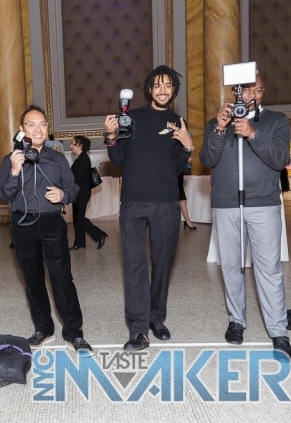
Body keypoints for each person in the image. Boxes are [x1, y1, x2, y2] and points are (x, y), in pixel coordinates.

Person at [199, 73, 291, 360]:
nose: (253, 95)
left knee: (269, 270)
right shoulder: (217, 122)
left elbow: (280, 159)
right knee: (232, 267)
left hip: (264, 204)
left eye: (259, 90)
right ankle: (236, 321)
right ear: (236, 92)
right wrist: (220, 128)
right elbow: (207, 159)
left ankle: (278, 331)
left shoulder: (277, 120)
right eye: (247, 90)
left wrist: (253, 133)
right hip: (226, 204)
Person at [103, 65, 193, 351]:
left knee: (163, 263)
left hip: (166, 201)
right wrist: (111, 136)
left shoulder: (178, 122)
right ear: (149, 90)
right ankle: (138, 329)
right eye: (157, 85)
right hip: (133, 202)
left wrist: (187, 147)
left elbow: (177, 168)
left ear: (174, 89)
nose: (163, 90)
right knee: (135, 265)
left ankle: (156, 317)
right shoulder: (131, 118)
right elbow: (118, 160)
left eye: (168, 85)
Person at [0, 104, 93, 353]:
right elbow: (5, 195)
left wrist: (63, 195)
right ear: (22, 129)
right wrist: (15, 171)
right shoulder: (10, 160)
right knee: (32, 279)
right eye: (31, 124)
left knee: (62, 278)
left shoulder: (57, 158)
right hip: (22, 225)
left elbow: (73, 188)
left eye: (42, 124)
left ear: (47, 128)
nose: (38, 129)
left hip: (52, 223)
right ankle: (43, 328)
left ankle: (74, 332)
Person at [69, 135, 108, 250]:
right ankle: (80, 243)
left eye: (73, 144)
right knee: (77, 217)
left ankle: (99, 235)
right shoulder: (80, 158)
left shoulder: (84, 159)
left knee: (79, 217)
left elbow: (78, 176)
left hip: (82, 192)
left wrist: (67, 178)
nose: (71, 146)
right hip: (78, 192)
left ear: (80, 145)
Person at [178, 158, 197, 230]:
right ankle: (187, 221)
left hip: (178, 178)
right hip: (173, 179)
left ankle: (187, 221)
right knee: (182, 200)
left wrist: (188, 163)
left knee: (182, 200)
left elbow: (187, 170)